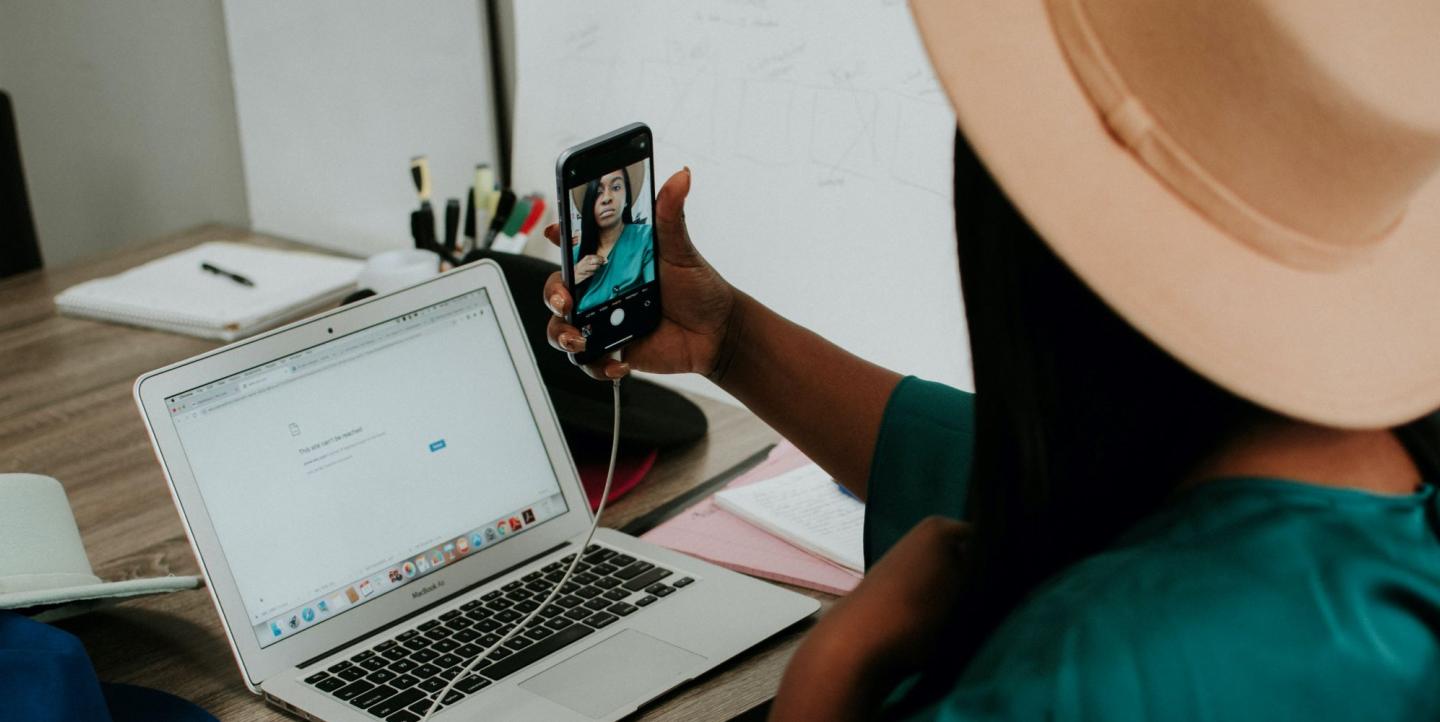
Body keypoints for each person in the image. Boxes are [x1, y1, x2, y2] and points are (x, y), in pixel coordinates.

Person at [543, 0, 1440, 719]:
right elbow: (1008, 472)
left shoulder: (1082, 677)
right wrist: (731, 338)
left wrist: (833, 670)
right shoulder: (1378, 490)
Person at [569, 161, 654, 313]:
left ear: (627, 197)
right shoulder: (575, 257)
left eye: (616, 187)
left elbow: (653, 297)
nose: (607, 198)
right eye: (598, 192)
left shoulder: (646, 237)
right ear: (589, 203)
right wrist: (572, 279)